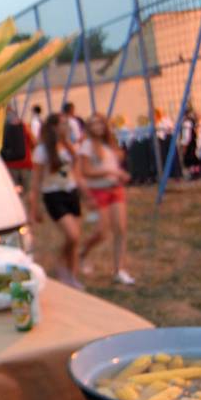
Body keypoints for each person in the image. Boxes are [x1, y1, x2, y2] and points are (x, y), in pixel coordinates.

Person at [28, 113, 87, 290]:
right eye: (62, 124)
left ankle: (72, 275)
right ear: (53, 127)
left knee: (76, 240)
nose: (66, 127)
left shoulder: (68, 146)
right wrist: (34, 208)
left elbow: (75, 168)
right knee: (72, 235)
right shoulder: (42, 150)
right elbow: (36, 181)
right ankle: (60, 263)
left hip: (71, 192)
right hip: (53, 195)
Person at [77, 114, 134, 285]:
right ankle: (82, 253)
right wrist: (111, 173)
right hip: (98, 190)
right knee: (101, 232)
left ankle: (119, 269)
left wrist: (119, 173)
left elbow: (112, 165)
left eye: (100, 123)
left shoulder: (109, 143)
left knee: (121, 229)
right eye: (93, 124)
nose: (98, 127)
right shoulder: (86, 146)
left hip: (115, 189)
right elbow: (85, 171)